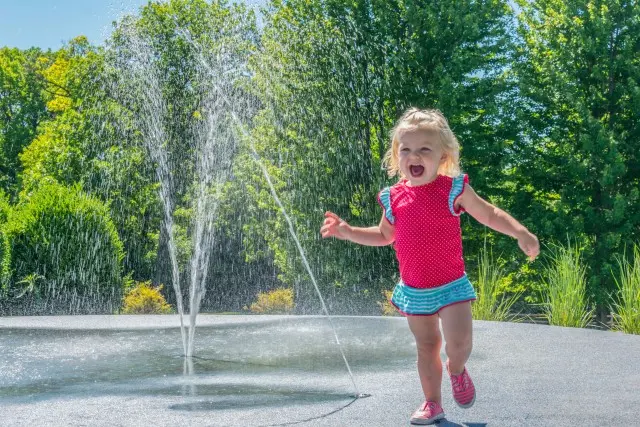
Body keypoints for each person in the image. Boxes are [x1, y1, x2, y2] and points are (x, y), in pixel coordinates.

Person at [320, 108, 540, 425]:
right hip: (415, 289)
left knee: (460, 343)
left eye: (425, 149)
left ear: (442, 155)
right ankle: (432, 403)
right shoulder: (393, 197)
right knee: (426, 347)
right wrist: (348, 231)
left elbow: (489, 214)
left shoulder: (454, 189)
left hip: (451, 285)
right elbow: (384, 235)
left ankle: (457, 369)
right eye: (406, 149)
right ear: (398, 156)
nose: (415, 156)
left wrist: (520, 231)